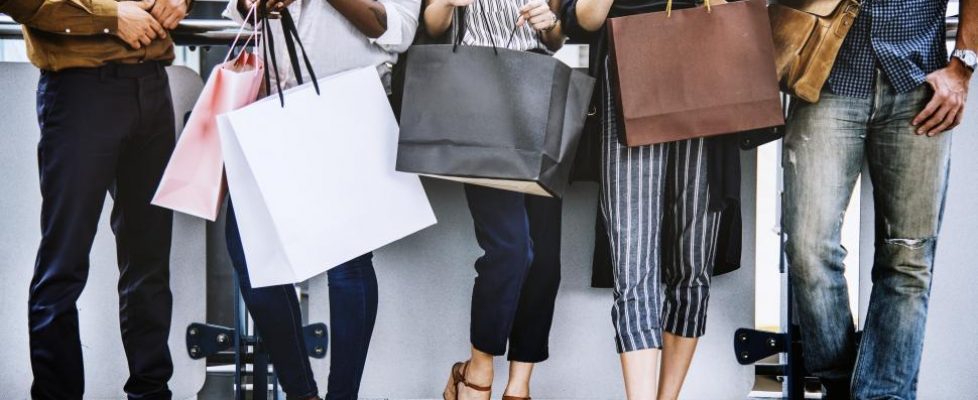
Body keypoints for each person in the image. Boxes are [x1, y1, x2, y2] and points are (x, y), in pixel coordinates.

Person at [221, 0, 419, 398]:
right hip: (272, 104)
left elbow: (396, 31)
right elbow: (241, 11)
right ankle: (302, 392)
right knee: (248, 252)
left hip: (350, 105)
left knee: (347, 263)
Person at [781, 0, 975, 398]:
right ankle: (841, 384)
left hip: (920, 82)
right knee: (807, 247)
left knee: (909, 256)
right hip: (827, 76)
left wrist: (963, 65)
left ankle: (881, 393)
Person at [0, 0, 189, 398]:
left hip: (152, 86)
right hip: (80, 91)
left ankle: (152, 393)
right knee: (63, 264)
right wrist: (111, 17)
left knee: (149, 262)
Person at [560, 0, 742, 398]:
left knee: (694, 264)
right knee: (633, 261)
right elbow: (585, 17)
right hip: (630, 69)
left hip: (706, 66)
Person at [421, 0, 565, 399]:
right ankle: (476, 373)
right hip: (478, 93)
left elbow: (556, 39)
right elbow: (433, 25)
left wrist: (549, 22)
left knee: (546, 260)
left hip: (538, 96)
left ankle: (519, 387)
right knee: (512, 249)